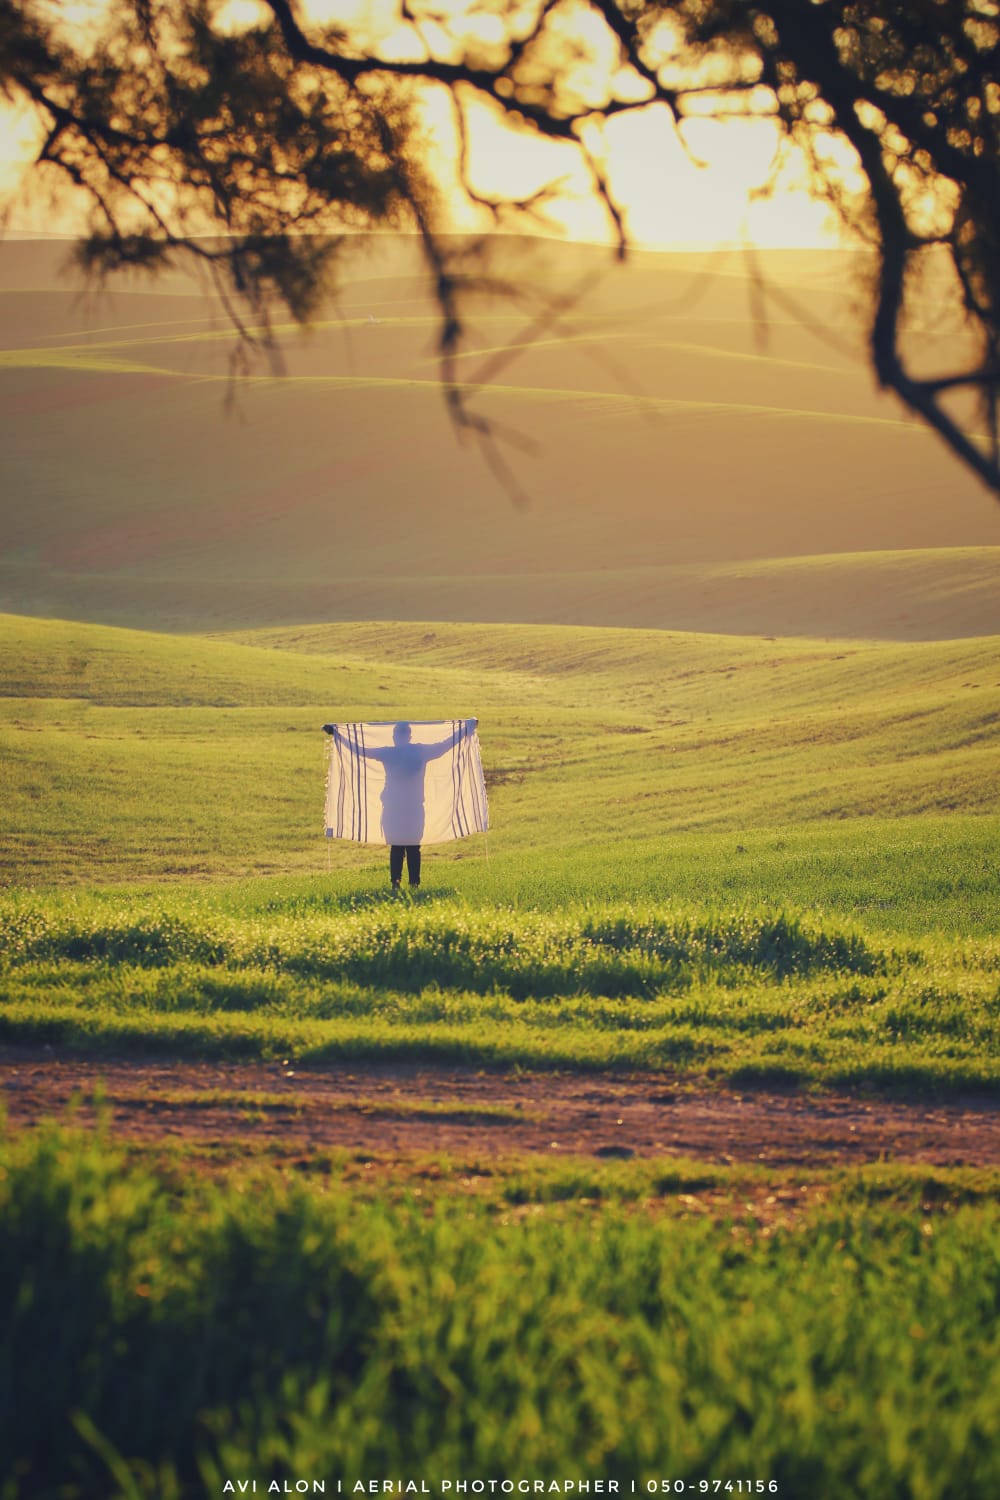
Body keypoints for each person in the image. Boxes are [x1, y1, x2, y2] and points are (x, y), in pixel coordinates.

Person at [322, 720, 476, 889]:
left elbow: (359, 750)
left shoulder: (391, 753)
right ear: (409, 736)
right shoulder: (419, 751)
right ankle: (413, 885)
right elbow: (446, 744)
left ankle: (398, 884)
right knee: (412, 848)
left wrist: (337, 734)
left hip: (395, 808)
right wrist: (466, 729)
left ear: (395, 736)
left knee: (398, 847)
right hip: (411, 808)